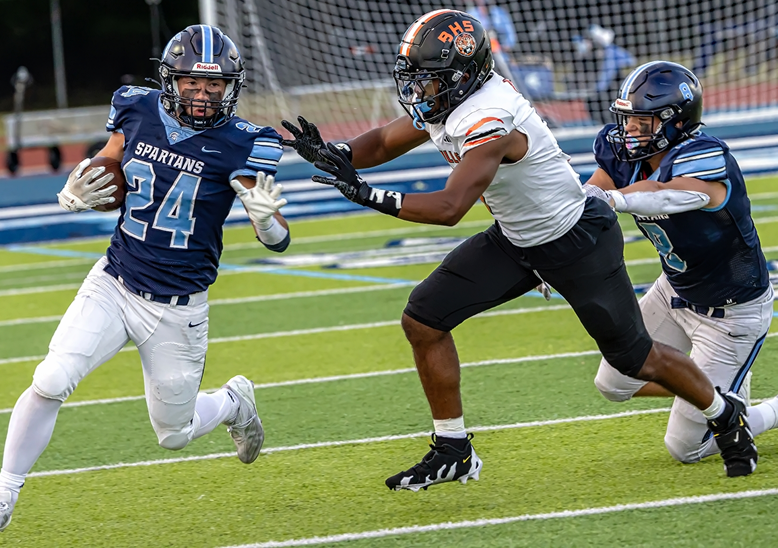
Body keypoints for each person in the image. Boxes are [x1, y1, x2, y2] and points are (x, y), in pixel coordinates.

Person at [282, 10, 758, 492]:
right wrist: (335, 153)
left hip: (576, 241)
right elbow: (385, 141)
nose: (418, 93)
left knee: (635, 361)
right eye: (416, 81)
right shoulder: (454, 97)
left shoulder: (490, 116)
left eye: (428, 82)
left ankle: (723, 412)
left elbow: (450, 207)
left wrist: (367, 195)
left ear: (462, 76)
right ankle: (453, 449)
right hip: (517, 238)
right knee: (423, 319)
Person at [0, 25, 289, 543]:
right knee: (50, 379)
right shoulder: (136, 109)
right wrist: (77, 186)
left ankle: (233, 402)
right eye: (190, 83)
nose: (202, 95)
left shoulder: (244, 141)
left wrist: (267, 221)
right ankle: (3, 494)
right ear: (168, 80)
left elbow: (276, 238)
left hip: (178, 307)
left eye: (214, 86)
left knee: (173, 435)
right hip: (115, 280)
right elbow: (109, 164)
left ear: (231, 87)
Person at [583, 61, 778, 468]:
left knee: (685, 448)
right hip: (675, 290)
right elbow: (587, 200)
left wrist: (616, 200)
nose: (631, 130)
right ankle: (717, 390)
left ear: (676, 122)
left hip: (732, 312)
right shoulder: (622, 152)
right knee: (614, 382)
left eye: (643, 121)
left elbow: (668, 196)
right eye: (628, 119)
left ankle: (748, 407)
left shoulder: (705, 157)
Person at [575, 25, 635, 125]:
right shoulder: (588, 57)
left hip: (609, 91)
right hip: (596, 92)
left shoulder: (611, 52)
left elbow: (630, 60)